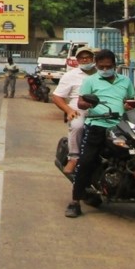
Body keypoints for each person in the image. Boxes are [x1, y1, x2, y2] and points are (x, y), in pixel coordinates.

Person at [64, 48, 135, 218]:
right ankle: (75, 201)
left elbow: (131, 100)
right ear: (96, 66)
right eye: (101, 67)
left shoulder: (125, 81)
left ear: (114, 66)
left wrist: (130, 106)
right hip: (97, 124)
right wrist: (88, 105)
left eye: (108, 66)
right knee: (86, 160)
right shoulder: (91, 81)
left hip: (120, 126)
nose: (105, 69)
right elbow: (81, 102)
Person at [51, 46, 96, 177]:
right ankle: (74, 158)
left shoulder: (101, 74)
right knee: (78, 126)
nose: (85, 60)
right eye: (82, 58)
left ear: (93, 59)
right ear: (77, 60)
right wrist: (68, 110)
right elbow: (57, 96)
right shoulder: (70, 76)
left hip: (102, 109)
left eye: (88, 57)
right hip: (78, 109)